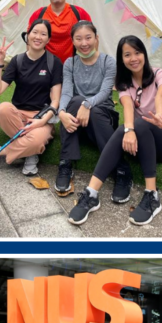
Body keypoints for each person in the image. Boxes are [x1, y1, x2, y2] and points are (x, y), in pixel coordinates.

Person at [68, 36, 162, 227]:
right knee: (130, 126)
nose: (133, 58)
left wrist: (160, 117)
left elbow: (160, 97)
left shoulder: (160, 75)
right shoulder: (124, 85)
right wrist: (129, 130)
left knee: (140, 124)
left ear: (144, 54)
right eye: (127, 54)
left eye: (137, 53)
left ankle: (152, 195)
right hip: (142, 144)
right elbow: (128, 108)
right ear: (122, 59)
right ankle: (91, 193)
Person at [0, 18, 61, 176]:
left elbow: (56, 100)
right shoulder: (17, 61)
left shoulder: (54, 62)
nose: (38, 37)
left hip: (42, 116)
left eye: (43, 34)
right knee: (3, 108)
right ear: (28, 35)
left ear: (48, 39)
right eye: (35, 32)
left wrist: (42, 121)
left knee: (37, 140)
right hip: (17, 115)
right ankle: (30, 153)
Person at [53, 20, 132, 203]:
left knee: (90, 107)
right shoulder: (70, 63)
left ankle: (121, 169)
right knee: (75, 100)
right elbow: (66, 91)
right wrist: (62, 112)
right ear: (72, 41)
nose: (84, 43)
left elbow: (105, 92)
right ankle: (66, 162)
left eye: (88, 37)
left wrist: (87, 104)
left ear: (96, 39)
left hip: (102, 116)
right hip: (77, 119)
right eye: (78, 39)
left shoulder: (108, 61)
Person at [26, 0, 90, 65]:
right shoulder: (38, 14)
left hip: (75, 65)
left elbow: (92, 38)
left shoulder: (79, 13)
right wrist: (30, 63)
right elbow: (30, 41)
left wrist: (91, 63)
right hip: (44, 66)